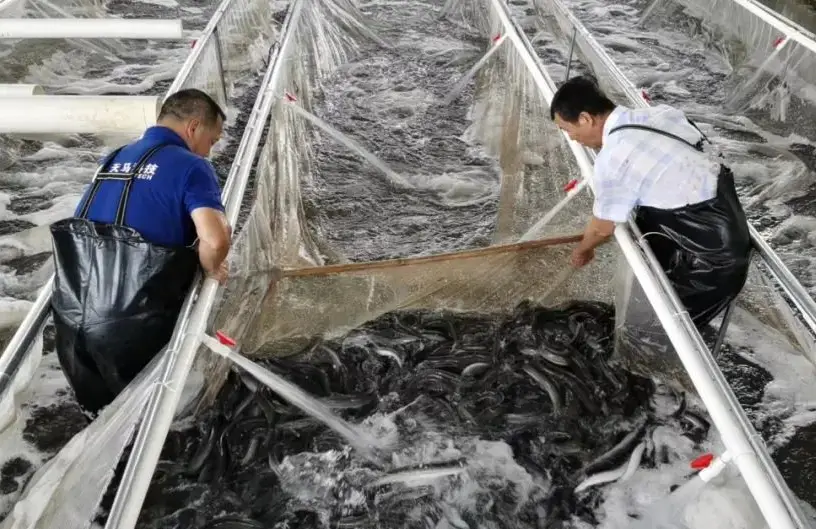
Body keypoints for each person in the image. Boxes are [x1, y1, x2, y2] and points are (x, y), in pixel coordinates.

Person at [50, 88, 232, 418]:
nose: (209, 150)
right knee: (148, 425)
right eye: (212, 139)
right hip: (129, 328)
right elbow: (216, 240)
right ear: (193, 128)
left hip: (71, 321)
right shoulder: (192, 167)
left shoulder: (115, 157)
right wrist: (212, 269)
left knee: (100, 422)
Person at [549, 76, 751, 331]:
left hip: (715, 263)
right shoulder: (661, 115)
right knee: (655, 310)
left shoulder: (614, 158)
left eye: (568, 130)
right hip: (724, 223)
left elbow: (602, 228)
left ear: (586, 119)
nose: (573, 138)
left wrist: (584, 250)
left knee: (660, 330)